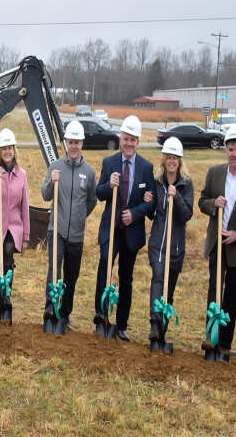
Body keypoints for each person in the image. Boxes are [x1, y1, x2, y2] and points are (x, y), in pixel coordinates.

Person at [198, 127, 236, 356]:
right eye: (230, 149)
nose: (234, 153)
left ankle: (224, 345)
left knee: (232, 294)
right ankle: (211, 340)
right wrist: (213, 204)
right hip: (217, 243)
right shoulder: (215, 173)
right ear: (226, 150)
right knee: (214, 292)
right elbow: (202, 201)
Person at [93, 115, 155, 341]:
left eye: (133, 140)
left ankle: (121, 325)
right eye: (126, 139)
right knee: (104, 268)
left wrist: (135, 214)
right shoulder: (109, 162)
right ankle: (101, 316)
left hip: (132, 232)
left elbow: (152, 202)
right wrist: (109, 185)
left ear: (138, 142)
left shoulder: (146, 168)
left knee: (126, 277)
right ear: (121, 139)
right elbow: (99, 193)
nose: (129, 143)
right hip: (111, 229)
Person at [41, 120, 97, 330]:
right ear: (66, 143)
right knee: (54, 269)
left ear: (82, 143)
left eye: (77, 142)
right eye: (70, 142)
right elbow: (45, 195)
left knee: (71, 276)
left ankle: (64, 314)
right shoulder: (55, 167)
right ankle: (50, 308)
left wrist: (80, 217)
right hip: (56, 229)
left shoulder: (89, 172)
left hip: (76, 233)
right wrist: (51, 182)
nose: (73, 146)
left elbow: (92, 200)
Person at [144, 137, 193, 341]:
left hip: (176, 247)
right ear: (164, 160)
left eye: (175, 158)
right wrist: (147, 201)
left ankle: (163, 327)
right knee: (158, 278)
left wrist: (177, 197)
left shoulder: (186, 184)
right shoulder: (157, 182)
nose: (172, 161)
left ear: (180, 161)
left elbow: (187, 215)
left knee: (169, 289)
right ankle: (154, 324)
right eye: (169, 157)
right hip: (158, 244)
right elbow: (151, 213)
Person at [0, 128, 29, 313]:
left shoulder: (22, 174)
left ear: (14, 150)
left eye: (10, 148)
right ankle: (3, 304)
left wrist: (26, 235)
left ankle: (7, 296)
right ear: (0, 151)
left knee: (8, 251)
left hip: (14, 227)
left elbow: (25, 206)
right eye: (4, 148)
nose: (7, 151)